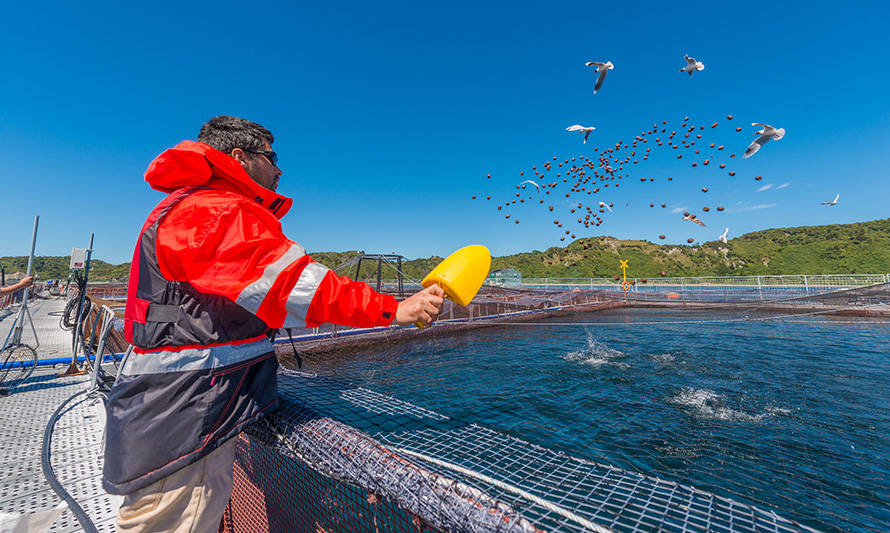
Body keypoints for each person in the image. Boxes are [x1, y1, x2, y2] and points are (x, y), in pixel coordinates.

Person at [104, 115, 445, 532]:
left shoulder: (194, 206)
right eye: (273, 156)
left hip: (180, 403)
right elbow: (296, 287)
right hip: (187, 408)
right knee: (178, 520)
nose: (280, 169)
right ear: (240, 157)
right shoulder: (216, 211)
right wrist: (396, 309)